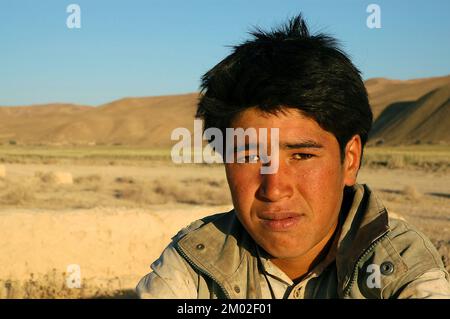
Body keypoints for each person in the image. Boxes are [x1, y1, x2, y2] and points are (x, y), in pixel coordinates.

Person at [136, 14, 450, 299]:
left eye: (301, 155)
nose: (274, 189)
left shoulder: (400, 266)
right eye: (248, 156)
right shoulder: (195, 262)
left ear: (350, 159)